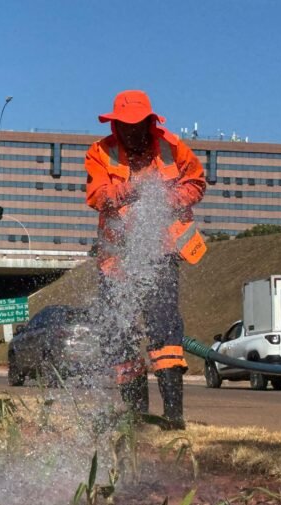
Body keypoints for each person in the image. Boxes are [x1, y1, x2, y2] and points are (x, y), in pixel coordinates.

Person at [85, 90, 207, 430]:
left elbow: (196, 182)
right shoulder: (100, 152)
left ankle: (173, 417)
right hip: (117, 261)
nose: (132, 131)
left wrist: (169, 200)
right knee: (118, 334)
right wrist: (135, 190)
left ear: (150, 123)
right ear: (116, 126)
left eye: (138, 125)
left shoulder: (172, 147)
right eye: (126, 126)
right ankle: (136, 415)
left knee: (164, 330)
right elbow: (97, 196)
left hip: (160, 254)